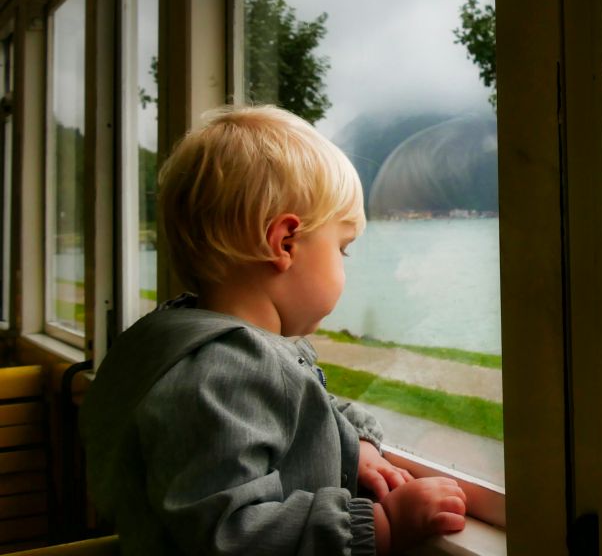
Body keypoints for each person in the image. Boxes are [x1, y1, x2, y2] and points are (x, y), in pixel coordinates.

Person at [81, 105, 466, 554]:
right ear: (284, 243)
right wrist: (383, 523)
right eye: (341, 249)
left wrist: (351, 445)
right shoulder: (222, 372)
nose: (345, 267)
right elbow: (231, 536)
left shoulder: (176, 341)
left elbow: (294, 413)